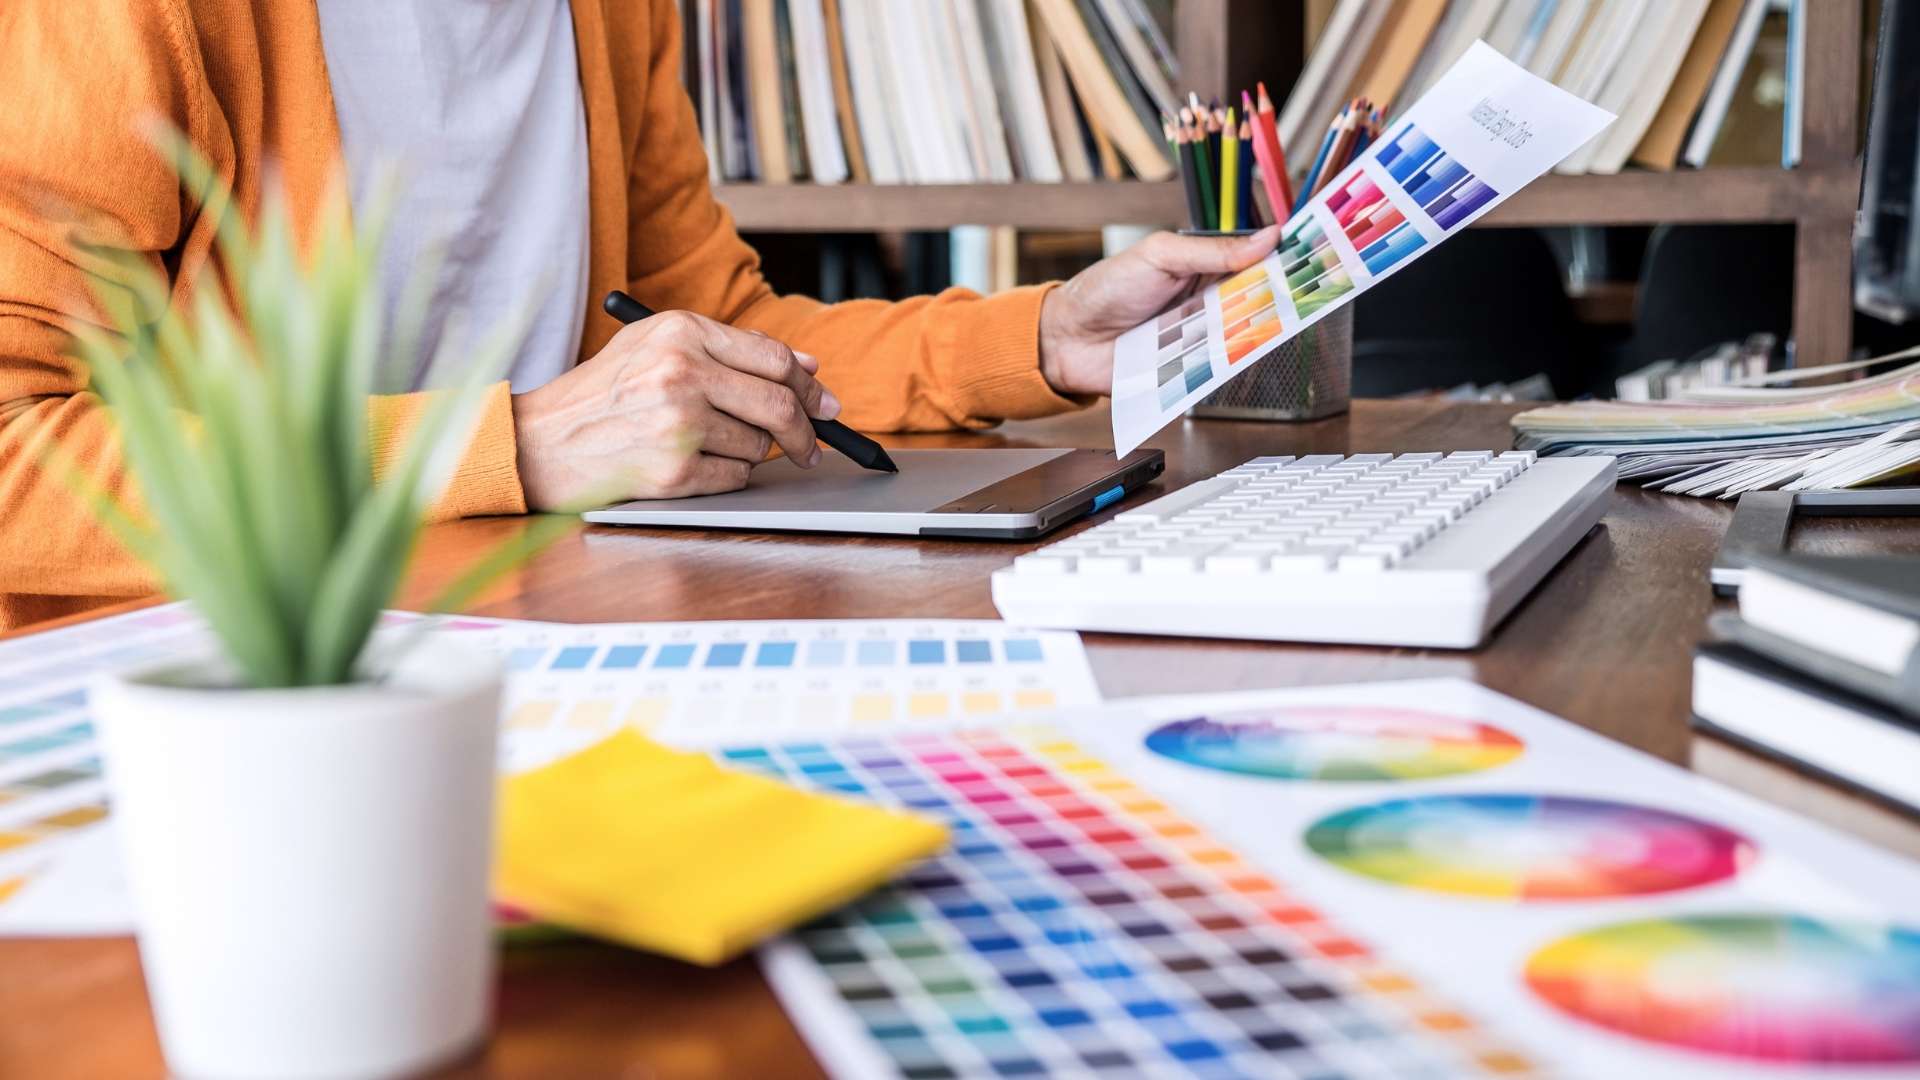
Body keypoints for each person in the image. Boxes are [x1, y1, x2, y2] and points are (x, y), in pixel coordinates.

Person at [0, 0, 1279, 630]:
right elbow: (18, 457)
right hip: (217, 697)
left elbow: (720, 328)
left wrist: (1040, 337)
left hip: (539, 628)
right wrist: (517, 440)